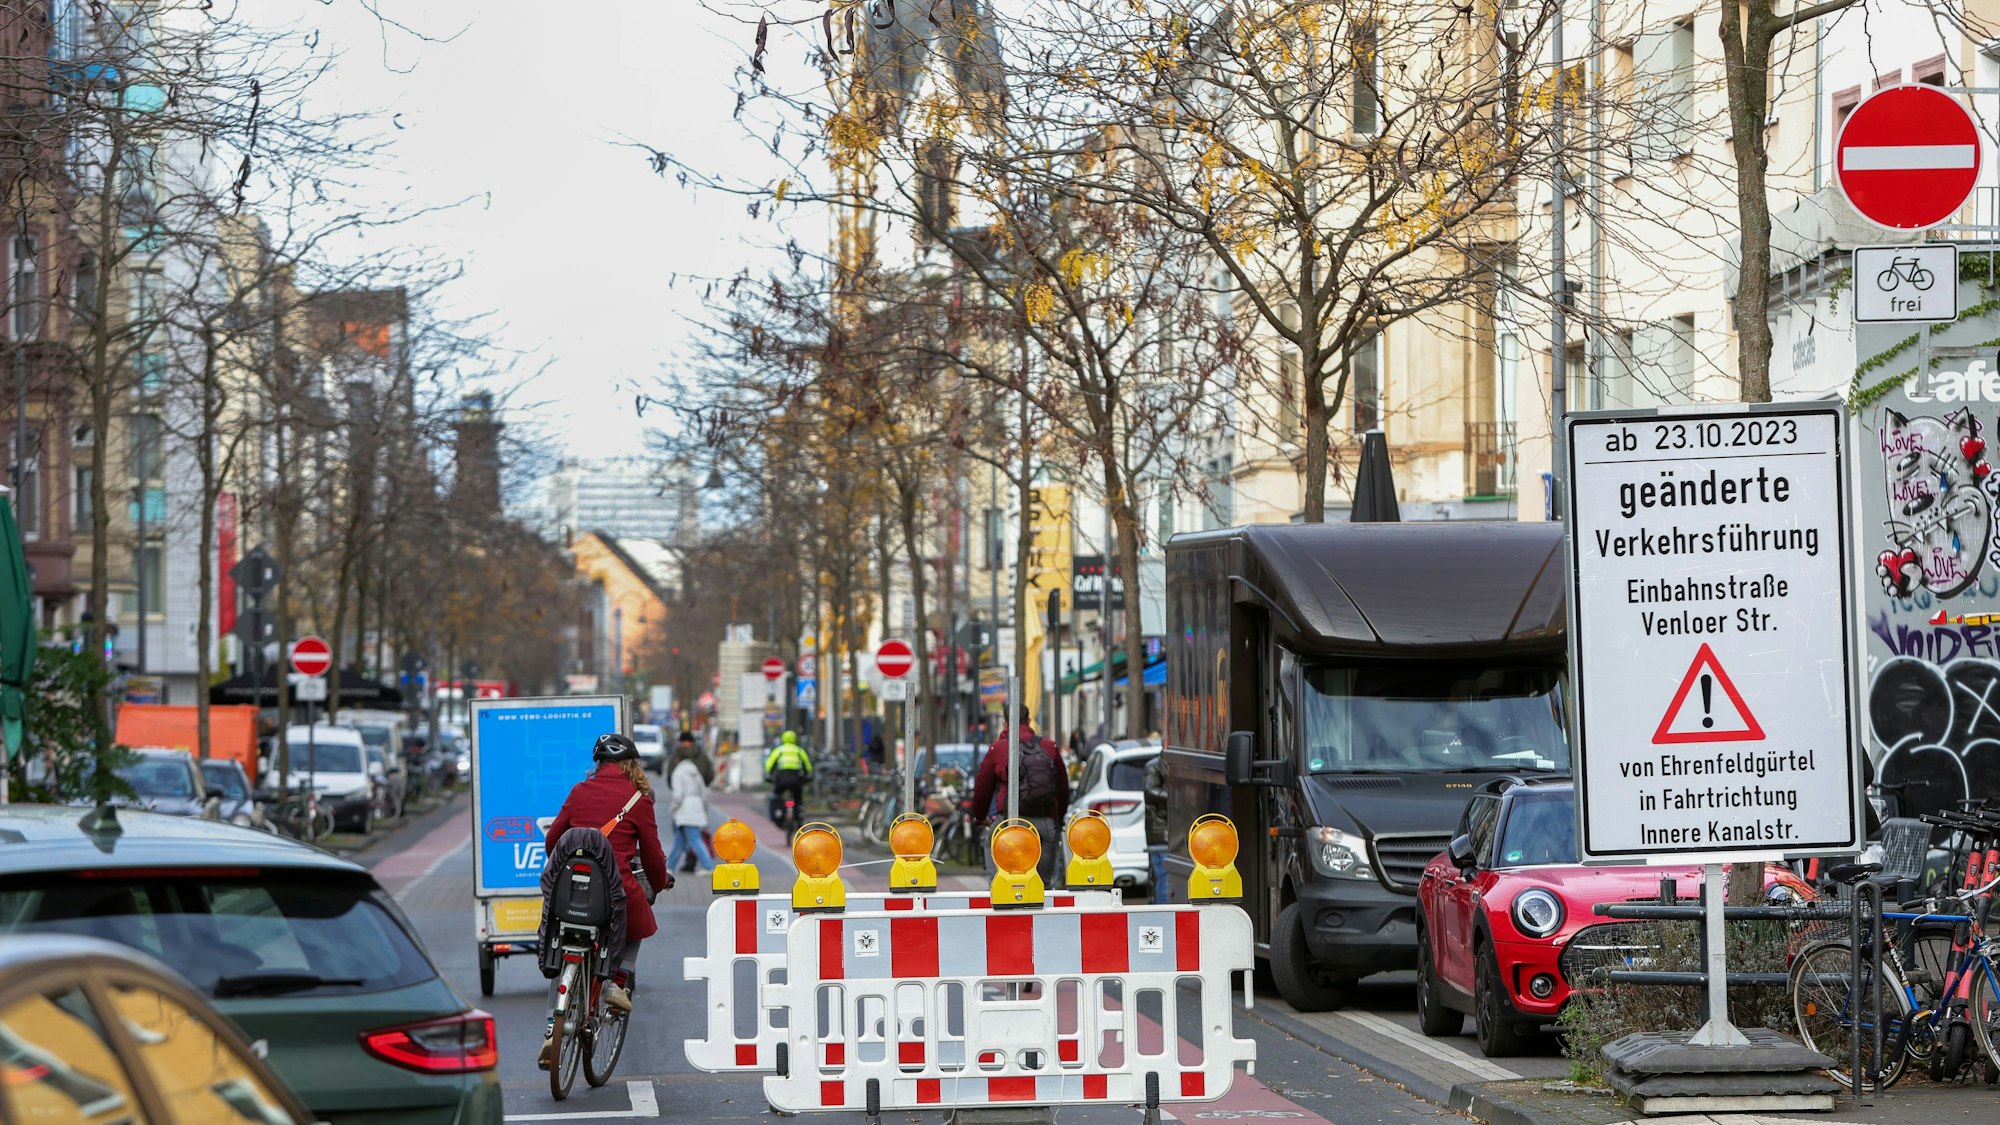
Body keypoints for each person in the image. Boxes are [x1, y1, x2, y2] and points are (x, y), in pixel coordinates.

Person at [538, 733, 667, 1068]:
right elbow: (652, 857)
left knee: (564, 943)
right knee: (639, 922)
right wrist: (659, 882)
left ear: (598, 764)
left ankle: (554, 1024)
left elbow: (553, 840)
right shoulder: (638, 799)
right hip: (614, 894)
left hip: (570, 893)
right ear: (631, 764)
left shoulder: (580, 791)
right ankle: (619, 982)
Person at [969, 709, 1070, 884]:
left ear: (1005, 722)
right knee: (1043, 885)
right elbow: (1062, 787)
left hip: (1009, 823)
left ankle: (997, 887)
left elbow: (982, 789)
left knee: (991, 849)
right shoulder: (1049, 746)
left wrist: (980, 817)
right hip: (1044, 822)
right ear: (1029, 720)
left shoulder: (999, 748)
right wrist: (1057, 820)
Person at [666, 741, 715, 874]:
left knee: (694, 839)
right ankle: (669, 867)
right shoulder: (695, 771)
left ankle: (708, 865)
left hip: (684, 809)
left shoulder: (678, 772)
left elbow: (678, 794)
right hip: (696, 806)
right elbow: (703, 791)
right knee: (680, 841)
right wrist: (704, 808)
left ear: (677, 758)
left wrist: (673, 808)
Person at [764, 730, 812, 822]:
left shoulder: (779, 750)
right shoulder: (799, 751)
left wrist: (768, 776)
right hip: (796, 780)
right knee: (798, 798)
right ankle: (799, 818)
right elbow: (808, 767)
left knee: (776, 796)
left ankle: (777, 815)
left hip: (782, 780)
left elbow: (769, 765)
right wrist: (808, 776)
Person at [1142, 752, 1171, 903]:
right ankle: (1163, 914)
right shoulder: (1154, 766)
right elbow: (1149, 790)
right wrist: (1175, 795)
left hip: (1171, 830)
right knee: (1164, 876)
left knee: (1165, 876)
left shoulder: (1170, 765)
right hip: (1159, 831)